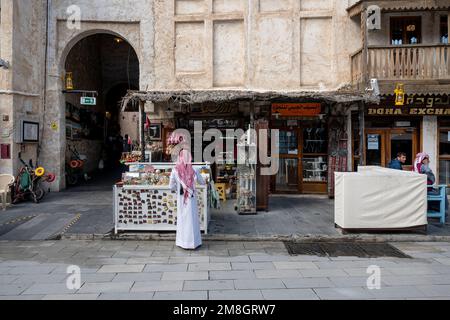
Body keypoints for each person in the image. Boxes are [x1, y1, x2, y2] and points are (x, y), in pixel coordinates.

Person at [169, 149, 205, 250]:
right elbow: (202, 182)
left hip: (181, 199)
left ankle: (182, 242)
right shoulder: (194, 169)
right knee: (192, 220)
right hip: (191, 198)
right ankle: (194, 243)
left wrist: (179, 190)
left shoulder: (174, 170)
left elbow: (170, 186)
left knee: (182, 220)